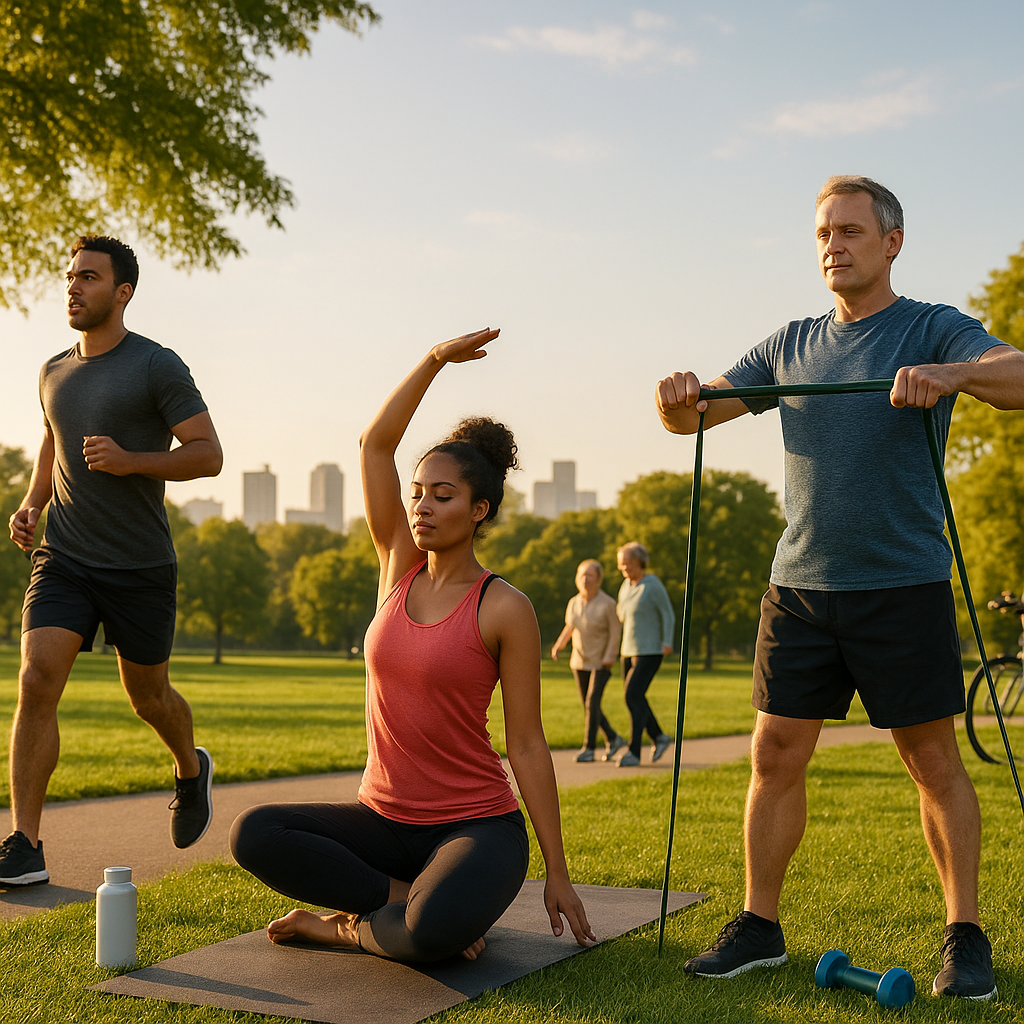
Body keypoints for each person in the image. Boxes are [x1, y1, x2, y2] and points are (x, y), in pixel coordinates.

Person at [655, 175, 1024, 1000]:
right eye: (825, 233)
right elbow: (694, 418)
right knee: (774, 754)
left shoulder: (932, 328)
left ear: (891, 241)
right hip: (802, 588)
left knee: (932, 761)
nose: (835, 245)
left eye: (852, 231)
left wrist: (953, 376)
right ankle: (759, 927)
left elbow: (1019, 377)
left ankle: (964, 938)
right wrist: (673, 399)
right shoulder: (789, 344)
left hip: (904, 585)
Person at [230, 328, 594, 963]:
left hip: (475, 828)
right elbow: (375, 446)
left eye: (443, 496)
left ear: (480, 509)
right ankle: (398, 903)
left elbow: (527, 743)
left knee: (432, 933)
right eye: (418, 493)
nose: (422, 506)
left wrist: (558, 872)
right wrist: (432, 362)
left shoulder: (504, 607)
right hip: (383, 822)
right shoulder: (398, 566)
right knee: (255, 833)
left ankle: (345, 925)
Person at [1, 235, 223, 887]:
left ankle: (190, 766)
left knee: (147, 697)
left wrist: (132, 461)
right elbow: (52, 439)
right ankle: (24, 843)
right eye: (70, 276)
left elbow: (208, 453)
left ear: (121, 292)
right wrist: (32, 502)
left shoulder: (157, 366)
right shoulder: (52, 371)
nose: (73, 287)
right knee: (37, 679)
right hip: (64, 556)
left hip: (140, 567)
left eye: (89, 278)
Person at [551, 559, 625, 762]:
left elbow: (615, 632)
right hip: (579, 661)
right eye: (582, 575)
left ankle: (589, 748)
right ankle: (613, 738)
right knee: (588, 705)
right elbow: (569, 627)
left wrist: (611, 656)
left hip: (601, 662)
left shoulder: (608, 604)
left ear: (599, 579)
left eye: (590, 575)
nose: (585, 579)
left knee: (592, 703)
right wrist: (559, 645)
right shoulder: (574, 602)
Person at [615, 542, 675, 768]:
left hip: (650, 650)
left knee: (632, 695)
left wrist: (667, 641)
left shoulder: (652, 585)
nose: (624, 567)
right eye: (621, 564)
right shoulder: (625, 586)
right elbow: (621, 613)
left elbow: (667, 614)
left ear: (640, 561)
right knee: (635, 697)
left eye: (628, 562)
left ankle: (634, 751)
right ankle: (658, 736)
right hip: (627, 650)